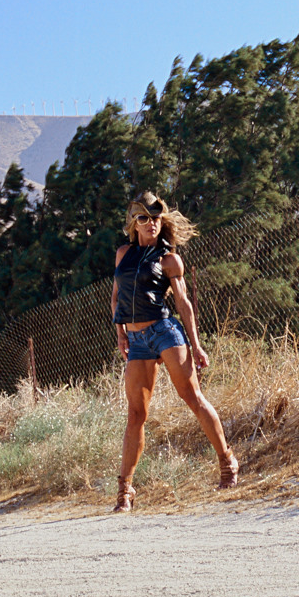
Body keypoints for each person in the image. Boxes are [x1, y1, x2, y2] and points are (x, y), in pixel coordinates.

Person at [111, 192, 237, 512]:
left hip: (165, 332)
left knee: (193, 397)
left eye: (155, 218)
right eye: (143, 218)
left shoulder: (169, 259)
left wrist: (196, 344)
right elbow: (116, 297)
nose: (150, 223)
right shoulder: (123, 254)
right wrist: (121, 334)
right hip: (137, 341)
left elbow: (183, 303)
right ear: (134, 223)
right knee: (136, 415)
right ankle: (125, 491)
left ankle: (227, 463)